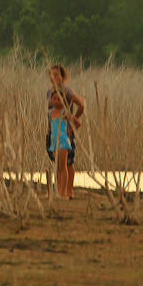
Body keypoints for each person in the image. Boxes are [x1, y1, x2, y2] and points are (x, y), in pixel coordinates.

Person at [46, 63, 85, 199]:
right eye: (51, 74)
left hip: (65, 130)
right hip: (54, 130)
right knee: (57, 162)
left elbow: (81, 105)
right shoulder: (50, 92)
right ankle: (59, 189)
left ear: (62, 76)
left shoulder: (67, 91)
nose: (53, 77)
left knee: (68, 161)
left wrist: (71, 124)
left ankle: (69, 191)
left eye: (56, 74)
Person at [47, 89, 73, 198]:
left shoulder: (65, 111)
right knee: (57, 167)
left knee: (63, 166)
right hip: (54, 142)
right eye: (54, 99)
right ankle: (58, 190)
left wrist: (69, 132)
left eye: (59, 99)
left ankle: (63, 192)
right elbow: (49, 127)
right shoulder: (50, 112)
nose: (56, 101)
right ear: (51, 99)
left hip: (63, 140)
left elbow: (75, 122)